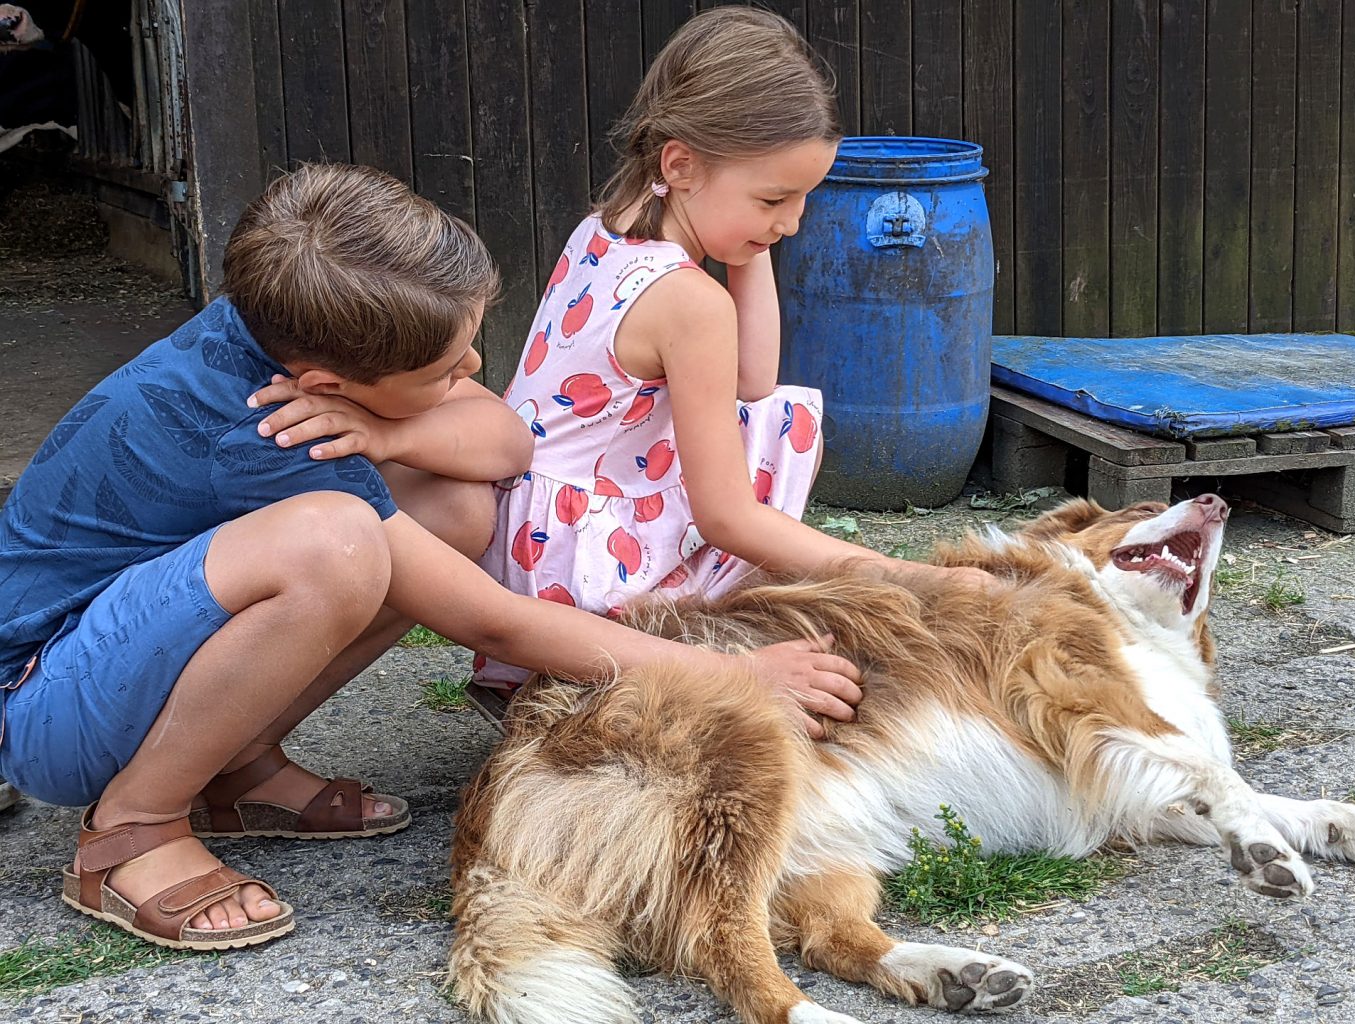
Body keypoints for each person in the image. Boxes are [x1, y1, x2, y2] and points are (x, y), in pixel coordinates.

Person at [0, 162, 859, 951]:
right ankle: (134, 828)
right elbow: (489, 617)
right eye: (448, 365)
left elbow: (504, 442)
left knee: (448, 507)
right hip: (42, 701)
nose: (477, 365)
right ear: (324, 385)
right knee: (334, 544)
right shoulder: (260, 424)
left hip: (110, 658)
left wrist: (393, 426)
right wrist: (724, 674)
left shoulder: (293, 329)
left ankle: (229, 767)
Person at [473, 7, 992, 719]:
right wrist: (904, 578)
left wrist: (749, 244)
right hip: (580, 568)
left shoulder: (609, 223)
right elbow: (726, 518)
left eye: (804, 198)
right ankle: (628, 664)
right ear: (680, 164)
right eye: (774, 199)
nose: (793, 221)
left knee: (765, 414)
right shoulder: (687, 301)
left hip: (532, 538)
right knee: (771, 450)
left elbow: (752, 382)